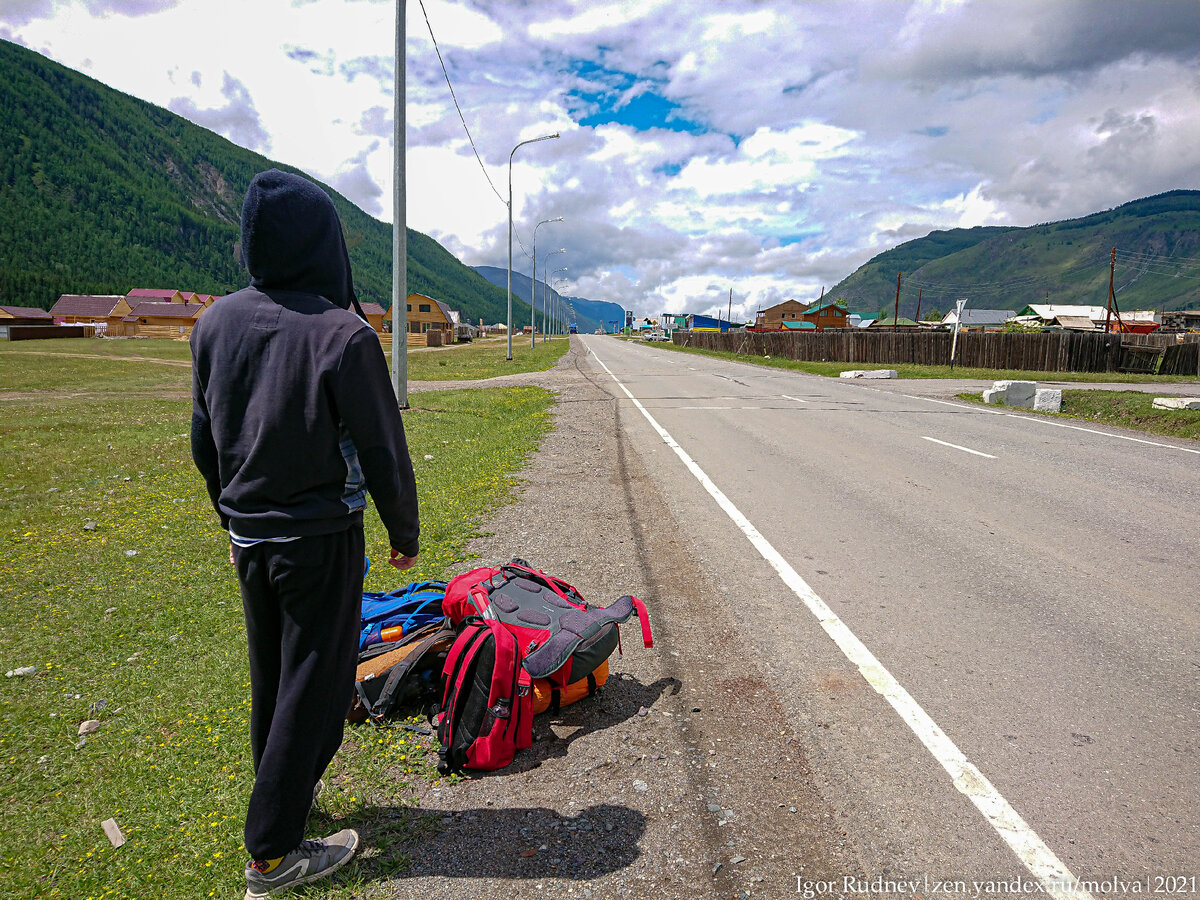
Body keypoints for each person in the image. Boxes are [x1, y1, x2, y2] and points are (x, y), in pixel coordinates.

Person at [190, 168, 420, 898]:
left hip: (251, 537)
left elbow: (205, 438)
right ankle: (272, 854)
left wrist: (229, 515)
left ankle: (286, 798)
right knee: (315, 687)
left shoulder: (215, 323)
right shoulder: (341, 333)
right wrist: (403, 531)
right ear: (320, 243)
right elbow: (383, 446)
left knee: (274, 677)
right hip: (319, 535)